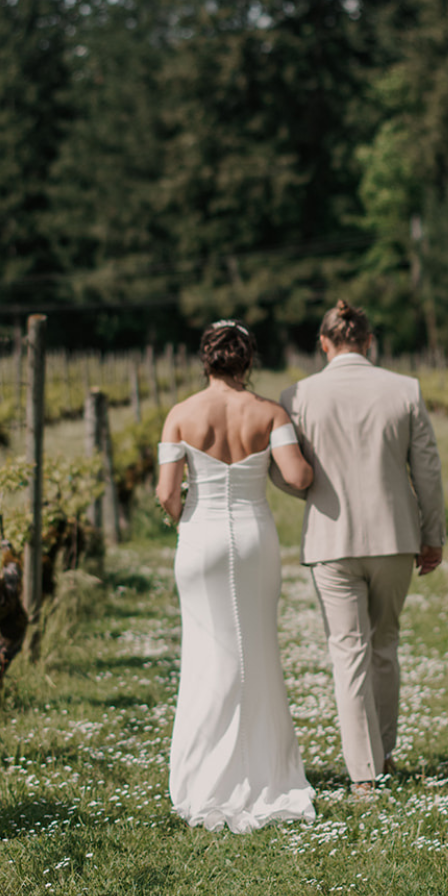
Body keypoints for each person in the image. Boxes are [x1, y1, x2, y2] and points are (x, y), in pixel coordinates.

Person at [274, 301, 445, 798]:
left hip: (330, 538)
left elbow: (281, 468)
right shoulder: (405, 389)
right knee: (385, 645)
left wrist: (309, 493)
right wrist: (432, 534)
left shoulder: (297, 394)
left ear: (324, 344)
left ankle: (364, 776)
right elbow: (428, 470)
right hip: (395, 536)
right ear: (369, 342)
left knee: (348, 652)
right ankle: (386, 753)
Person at [158, 320, 317, 831]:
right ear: (247, 361)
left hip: (201, 540)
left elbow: (167, 493)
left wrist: (185, 522)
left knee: (205, 653)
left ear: (206, 360)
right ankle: (265, 772)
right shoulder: (270, 412)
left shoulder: (180, 415)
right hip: (253, 538)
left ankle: (205, 776)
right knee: (258, 651)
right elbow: (296, 477)